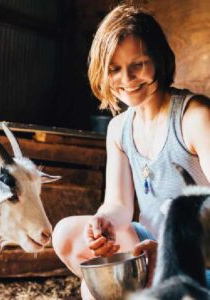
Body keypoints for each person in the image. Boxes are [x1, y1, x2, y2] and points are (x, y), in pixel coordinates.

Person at [52, 4, 210, 299]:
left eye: (137, 64)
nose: (127, 79)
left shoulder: (195, 117)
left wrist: (172, 252)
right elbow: (119, 205)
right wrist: (104, 224)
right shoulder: (119, 129)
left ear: (158, 60)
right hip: (151, 247)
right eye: (114, 69)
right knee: (68, 238)